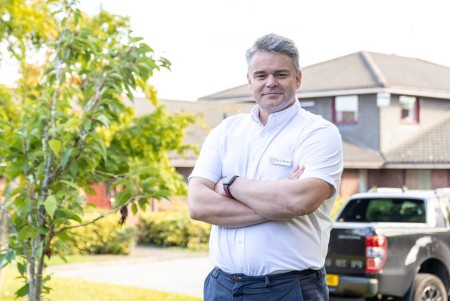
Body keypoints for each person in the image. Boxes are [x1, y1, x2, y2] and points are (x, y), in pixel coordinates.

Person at [188, 33, 343, 301]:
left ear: (298, 78)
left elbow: (300, 200)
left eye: (280, 74)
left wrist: (229, 184)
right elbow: (198, 205)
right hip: (222, 286)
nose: (270, 82)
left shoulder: (318, 133)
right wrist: (276, 204)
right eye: (261, 75)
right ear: (249, 81)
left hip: (288, 289)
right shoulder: (226, 131)